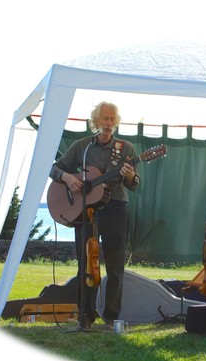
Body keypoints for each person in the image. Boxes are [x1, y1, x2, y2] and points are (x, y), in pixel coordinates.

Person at [49, 101, 139, 328]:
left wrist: (129, 176)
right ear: (95, 122)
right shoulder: (82, 146)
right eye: (104, 119)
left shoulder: (125, 148)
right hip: (85, 211)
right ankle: (86, 316)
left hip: (116, 208)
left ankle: (111, 317)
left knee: (115, 266)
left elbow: (135, 184)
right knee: (85, 264)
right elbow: (54, 168)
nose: (108, 124)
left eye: (112, 120)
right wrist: (68, 178)